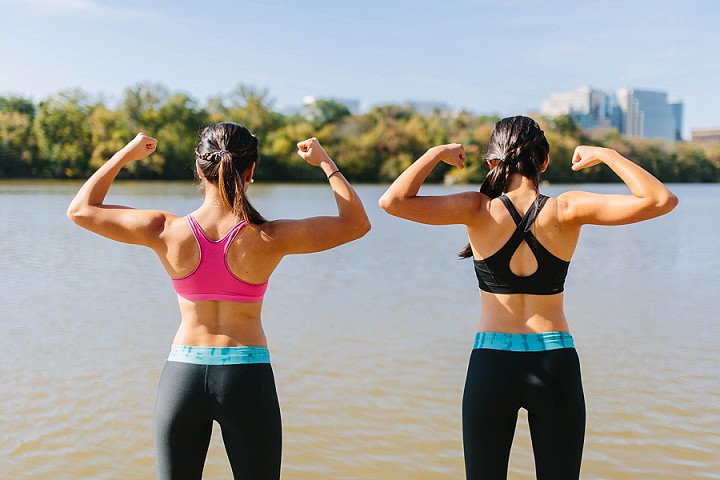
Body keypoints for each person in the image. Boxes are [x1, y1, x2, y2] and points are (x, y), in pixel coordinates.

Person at [378, 115, 677, 480]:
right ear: (545, 162)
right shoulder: (568, 209)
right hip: (555, 363)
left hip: (491, 365)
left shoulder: (477, 209)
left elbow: (392, 201)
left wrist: (435, 153)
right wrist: (607, 154)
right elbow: (661, 199)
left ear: (492, 162)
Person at [67, 122, 371, 480]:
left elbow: (81, 209)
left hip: (182, 376)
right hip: (247, 377)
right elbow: (356, 223)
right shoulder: (270, 236)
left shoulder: (165, 231)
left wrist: (126, 154)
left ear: (199, 168)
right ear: (251, 171)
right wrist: (324, 163)